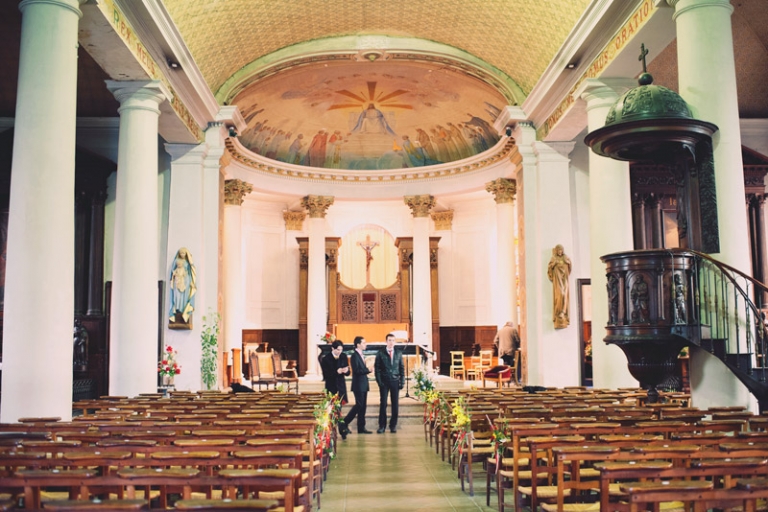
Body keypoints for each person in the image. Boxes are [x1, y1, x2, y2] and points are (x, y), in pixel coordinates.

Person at [340, 336, 372, 436]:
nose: (365, 344)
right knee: (359, 405)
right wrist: (368, 370)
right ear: (358, 344)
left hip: (363, 384)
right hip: (358, 385)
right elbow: (357, 371)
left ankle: (361, 427)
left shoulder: (360, 355)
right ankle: (344, 422)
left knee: (363, 407)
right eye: (363, 343)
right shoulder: (354, 356)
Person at [375, 333, 404, 433]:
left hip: (395, 381)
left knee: (395, 404)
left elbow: (401, 368)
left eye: (393, 340)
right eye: (389, 340)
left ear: (395, 342)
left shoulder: (398, 353)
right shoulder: (380, 353)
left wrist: (402, 381)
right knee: (383, 404)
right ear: (386, 341)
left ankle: (393, 425)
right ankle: (382, 426)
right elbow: (377, 368)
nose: (391, 342)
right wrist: (379, 381)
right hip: (384, 381)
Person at [169, 247, 196, 326]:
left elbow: (190, 272)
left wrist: (191, 281)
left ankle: (183, 310)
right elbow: (172, 271)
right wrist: (174, 275)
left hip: (185, 282)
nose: (182, 255)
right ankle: (177, 309)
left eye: (184, 253)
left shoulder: (187, 262)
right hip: (177, 282)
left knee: (185, 296)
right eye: (181, 253)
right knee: (176, 296)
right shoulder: (176, 261)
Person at [547, 244, 572, 329]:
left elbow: (569, 268)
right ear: (556, 251)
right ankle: (558, 313)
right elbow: (550, 268)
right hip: (558, 280)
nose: (560, 252)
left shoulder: (566, 258)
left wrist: (566, 264)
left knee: (564, 295)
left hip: (565, 279)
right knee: (560, 294)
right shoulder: (554, 258)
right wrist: (554, 264)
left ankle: (563, 312)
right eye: (559, 250)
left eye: (561, 250)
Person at [321, 340, 349, 404]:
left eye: (341, 350)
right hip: (331, 386)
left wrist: (346, 371)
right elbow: (326, 375)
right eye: (338, 350)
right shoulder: (326, 359)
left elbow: (348, 372)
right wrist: (336, 372)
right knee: (332, 406)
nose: (340, 352)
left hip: (341, 386)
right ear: (332, 348)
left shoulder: (343, 356)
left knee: (341, 405)